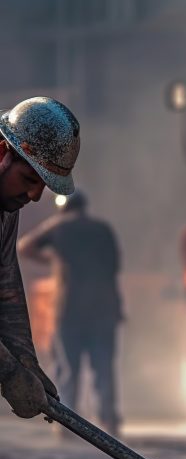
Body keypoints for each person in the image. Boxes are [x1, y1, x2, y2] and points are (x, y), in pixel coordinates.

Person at [0, 97, 80, 420]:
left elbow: (6, 284)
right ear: (3, 153)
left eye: (42, 187)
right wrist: (10, 374)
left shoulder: (6, 205)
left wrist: (27, 363)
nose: (34, 196)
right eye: (30, 180)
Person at [19, 190, 124, 436]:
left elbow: (24, 247)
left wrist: (52, 260)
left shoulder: (59, 226)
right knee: (103, 367)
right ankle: (109, 421)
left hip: (70, 310)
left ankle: (67, 424)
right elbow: (115, 265)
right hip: (103, 309)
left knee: (68, 369)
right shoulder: (102, 229)